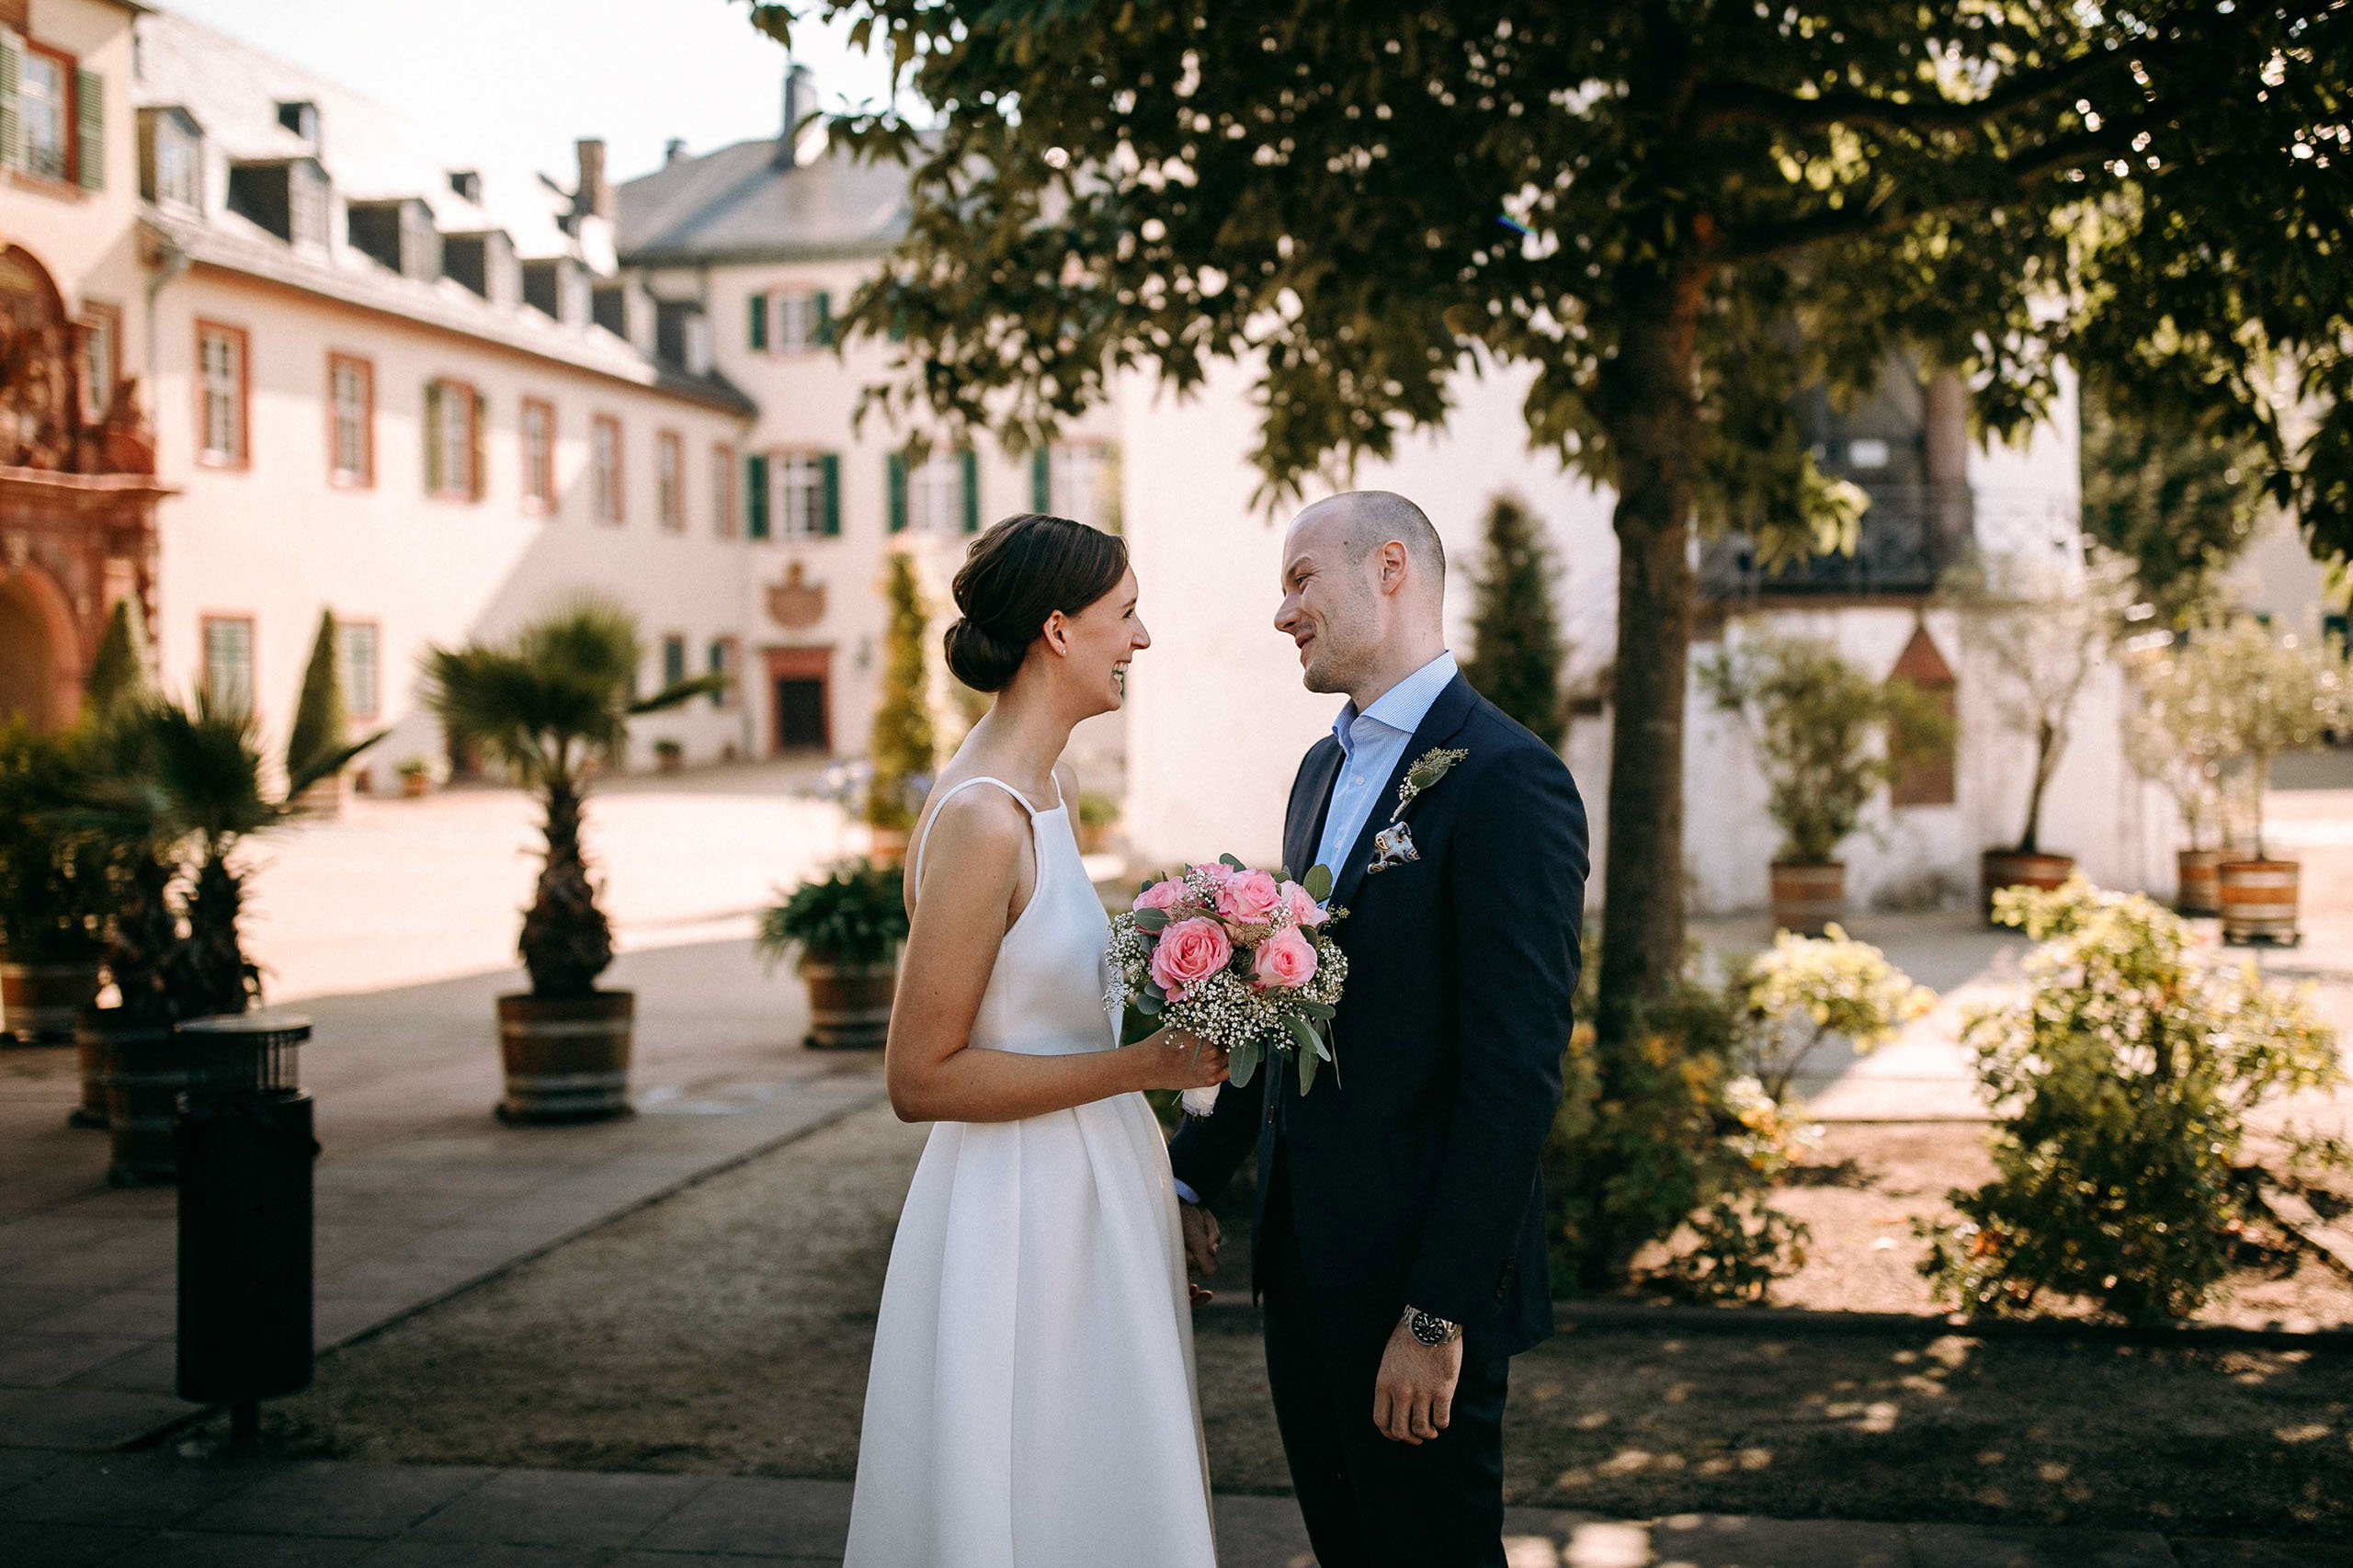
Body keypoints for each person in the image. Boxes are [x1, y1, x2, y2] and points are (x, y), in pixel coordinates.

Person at [1169, 489, 1589, 1568]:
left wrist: (1438, 1313)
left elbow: (1515, 1075)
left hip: (1417, 1282)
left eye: (1301, 579)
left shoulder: (1507, 779)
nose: (1281, 613)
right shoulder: (1321, 769)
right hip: (1303, 1270)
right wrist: (1190, 1176)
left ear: (1390, 567)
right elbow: (1288, 1008)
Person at [842, 513, 1226, 1568]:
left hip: (1091, 1193)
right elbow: (919, 1075)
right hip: (1018, 1219)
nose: (1139, 639)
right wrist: (1144, 1069)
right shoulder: (981, 817)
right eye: (1125, 613)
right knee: (1035, 1490)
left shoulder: (1045, 794)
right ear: (1057, 630)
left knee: (1102, 1490)